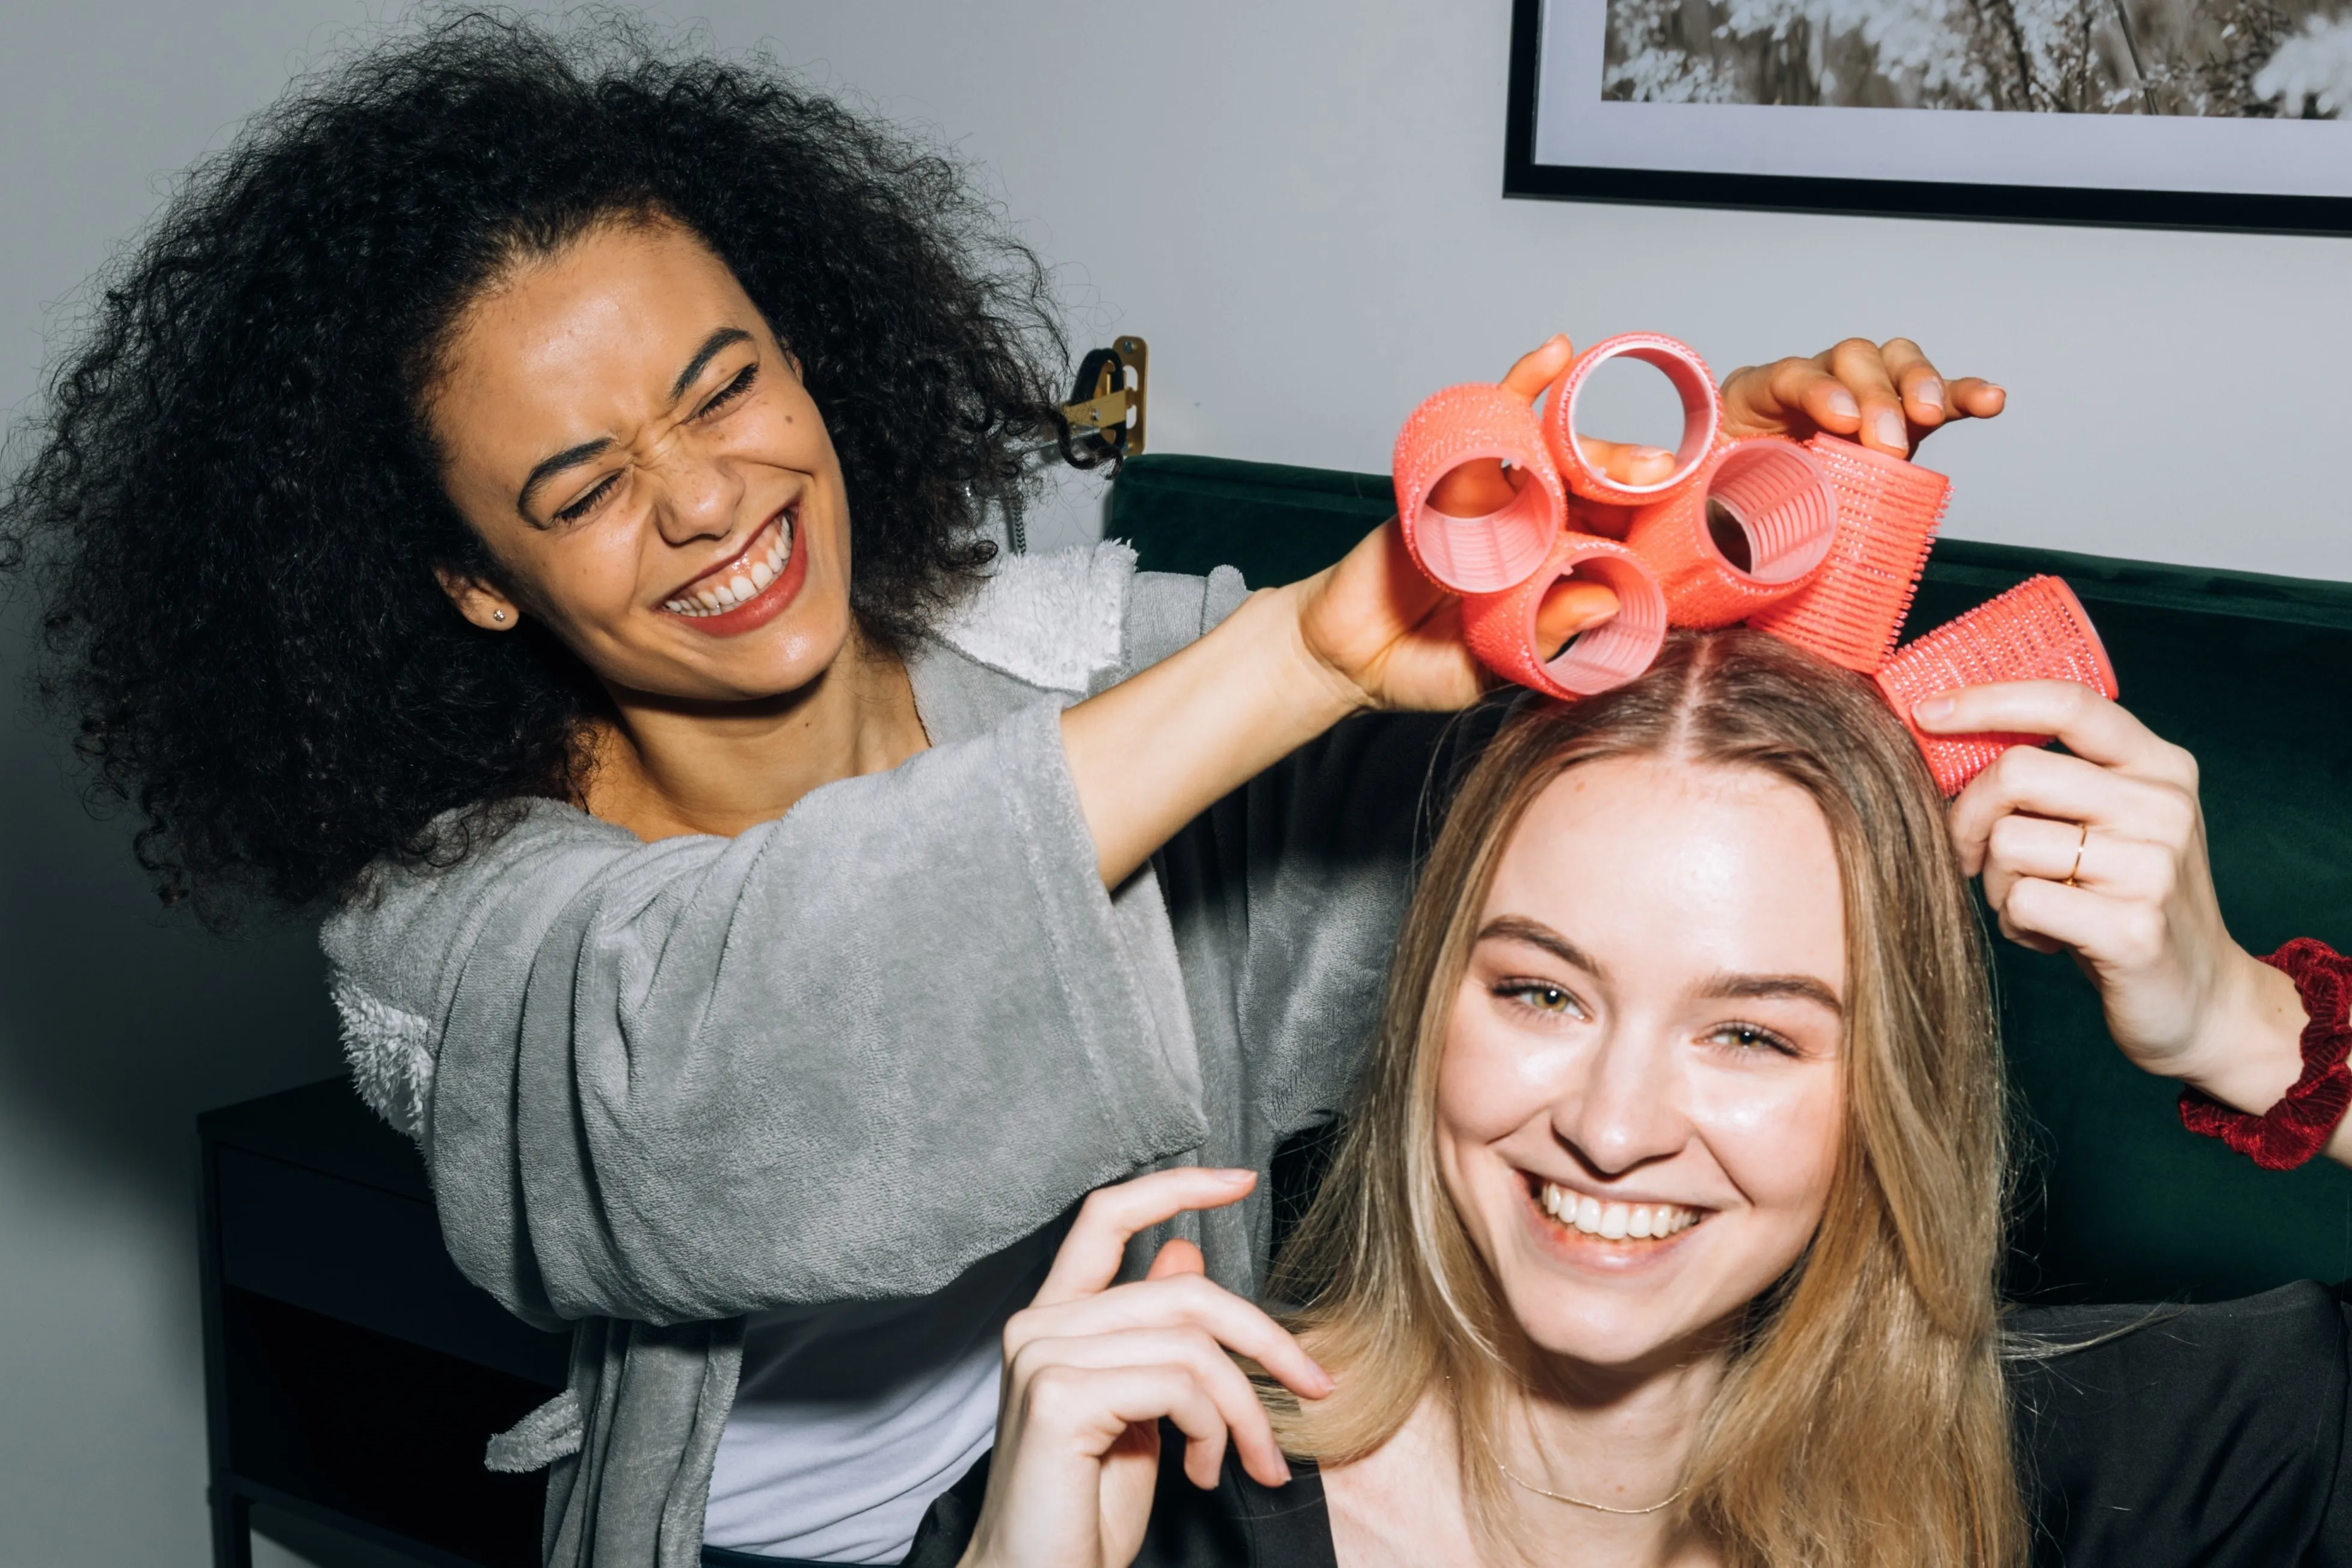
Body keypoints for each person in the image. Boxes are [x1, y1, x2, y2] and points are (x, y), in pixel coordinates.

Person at [0, 15, 2011, 1567]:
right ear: (470, 576)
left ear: (806, 351)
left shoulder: (1096, 665)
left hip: (1153, 1510)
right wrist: (1306, 658)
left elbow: (1537, 865)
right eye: (585, 484)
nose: (706, 499)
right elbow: (739, 1068)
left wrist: (1692, 544)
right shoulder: (460, 931)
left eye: (726, 382)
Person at [916, 630, 2351, 1568]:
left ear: (1885, 1094)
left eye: (1750, 1033)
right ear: (1425, 1006)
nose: (1610, 1129)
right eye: (1541, 993)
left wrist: (2243, 1024)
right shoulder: (1143, 1496)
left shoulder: (2078, 1472)